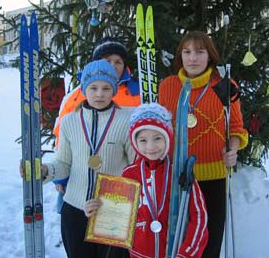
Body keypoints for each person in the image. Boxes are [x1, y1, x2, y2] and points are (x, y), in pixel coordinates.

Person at [158, 31, 249, 258]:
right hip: (176, 177)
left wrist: (233, 147)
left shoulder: (224, 85)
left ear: (210, 56)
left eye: (200, 52)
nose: (193, 58)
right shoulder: (168, 86)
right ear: (180, 56)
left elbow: (237, 127)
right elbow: (159, 129)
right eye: (187, 52)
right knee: (179, 242)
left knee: (209, 242)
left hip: (213, 177)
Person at [84, 103, 209, 258]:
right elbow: (118, 217)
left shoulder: (179, 174)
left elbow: (199, 216)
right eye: (143, 140)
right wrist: (97, 211)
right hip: (138, 255)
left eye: (157, 138)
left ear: (168, 138)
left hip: (174, 253)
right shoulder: (130, 174)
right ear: (135, 142)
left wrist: (187, 254)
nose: (151, 146)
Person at [41, 60, 133, 258]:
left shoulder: (126, 120)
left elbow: (135, 168)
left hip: (112, 210)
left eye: (106, 88)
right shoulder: (69, 122)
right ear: (84, 89)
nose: (99, 93)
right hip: (75, 209)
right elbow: (64, 164)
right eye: (93, 87)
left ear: (114, 90)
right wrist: (47, 171)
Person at [52, 37, 141, 213]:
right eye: (107, 61)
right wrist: (60, 177)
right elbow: (62, 135)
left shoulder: (137, 92)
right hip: (79, 182)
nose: (114, 66)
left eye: (118, 62)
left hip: (115, 187)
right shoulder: (77, 94)